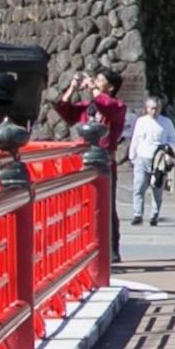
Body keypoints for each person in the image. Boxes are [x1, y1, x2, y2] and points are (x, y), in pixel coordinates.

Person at [55, 66, 127, 263]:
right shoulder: (88, 106)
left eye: (100, 80)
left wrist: (93, 90)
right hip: (84, 159)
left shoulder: (117, 106)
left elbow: (107, 106)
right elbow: (65, 110)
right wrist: (72, 88)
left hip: (105, 159)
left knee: (107, 204)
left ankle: (112, 248)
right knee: (83, 203)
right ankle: (84, 244)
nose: (95, 81)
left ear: (110, 87)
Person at [127, 96, 175, 226]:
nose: (153, 111)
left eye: (156, 108)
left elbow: (174, 138)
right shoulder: (141, 121)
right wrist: (132, 156)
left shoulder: (166, 122)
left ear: (160, 109)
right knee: (139, 187)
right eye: (151, 108)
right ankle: (137, 214)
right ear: (146, 108)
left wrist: (168, 148)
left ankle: (154, 214)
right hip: (142, 158)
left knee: (157, 188)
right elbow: (136, 139)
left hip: (159, 160)